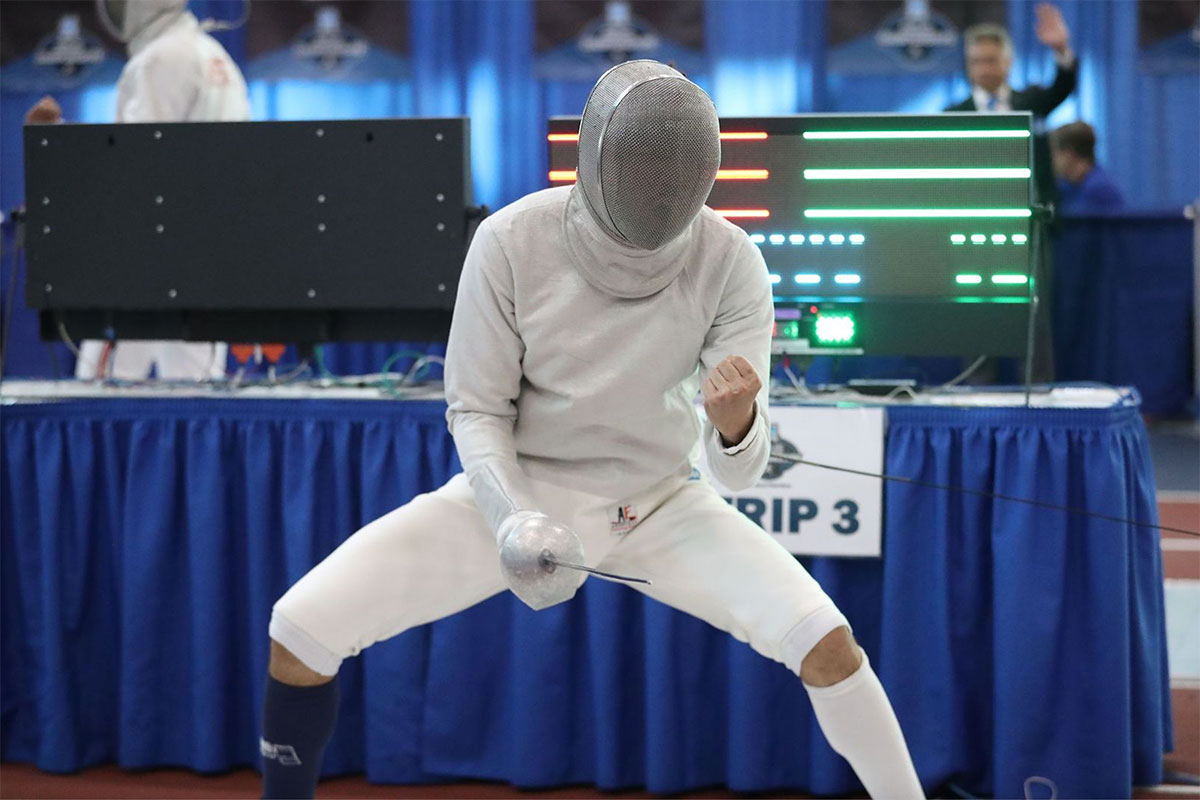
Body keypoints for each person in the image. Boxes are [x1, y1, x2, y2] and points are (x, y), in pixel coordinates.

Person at [260, 61, 924, 800]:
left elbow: (737, 474)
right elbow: (476, 408)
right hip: (519, 493)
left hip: (661, 502)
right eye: (642, 163)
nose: (658, 186)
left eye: (675, 168)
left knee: (828, 646)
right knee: (301, 628)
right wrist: (515, 521)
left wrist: (736, 427)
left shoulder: (732, 260)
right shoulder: (512, 240)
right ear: (598, 152)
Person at [25, 0, 250, 380]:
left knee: (100, 391)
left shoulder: (160, 60)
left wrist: (56, 144)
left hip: (149, 260)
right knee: (197, 396)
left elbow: (133, 168)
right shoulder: (214, 54)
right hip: (210, 258)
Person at [945, 4, 1077, 205]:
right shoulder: (953, 115)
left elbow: (1062, 88)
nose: (984, 69)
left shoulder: (1031, 103)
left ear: (1007, 61)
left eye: (990, 61)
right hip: (974, 212)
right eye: (976, 62)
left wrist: (1061, 49)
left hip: (1032, 212)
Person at [1050, 121, 1124, 214]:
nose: (1051, 161)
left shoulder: (1098, 191)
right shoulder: (1071, 188)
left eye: (1054, 154)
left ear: (1069, 154)